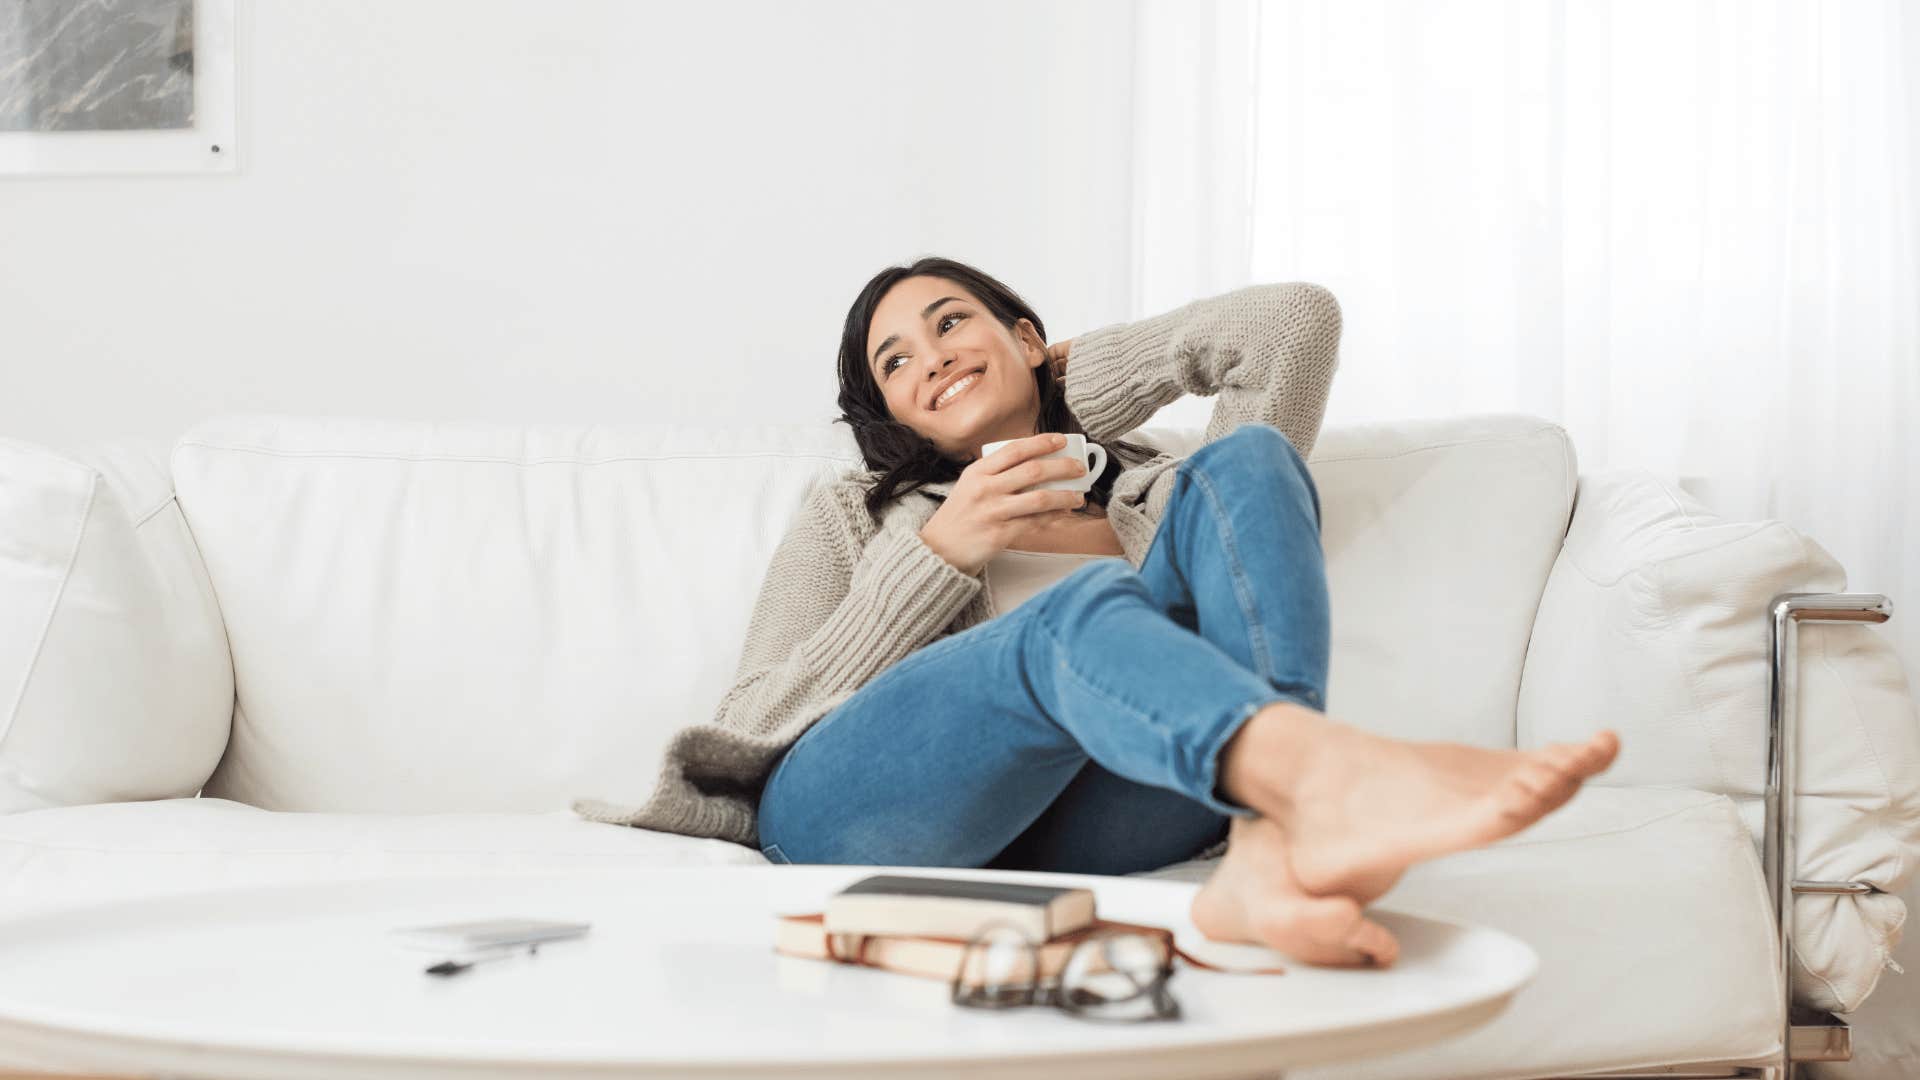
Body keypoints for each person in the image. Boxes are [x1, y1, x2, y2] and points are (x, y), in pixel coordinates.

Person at [571, 256, 1619, 967]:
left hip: (1089, 819)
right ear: (889, 411)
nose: (929, 356)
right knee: (1076, 617)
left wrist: (1068, 391)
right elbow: (759, 709)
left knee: (1249, 459)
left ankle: (1271, 843)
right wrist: (941, 554)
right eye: (897, 361)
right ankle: (1321, 790)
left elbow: (1292, 322)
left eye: (952, 325)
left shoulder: (1158, 491)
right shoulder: (857, 511)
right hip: (864, 811)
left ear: (1029, 337)